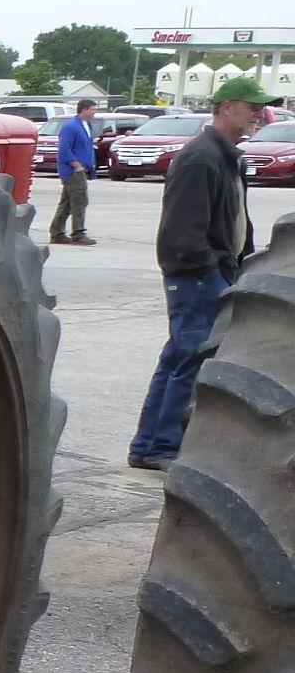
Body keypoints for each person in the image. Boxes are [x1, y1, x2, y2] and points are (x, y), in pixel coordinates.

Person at [129, 77, 281, 470]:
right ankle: (160, 446)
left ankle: (149, 445)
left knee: (178, 358)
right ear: (227, 106)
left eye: (261, 108)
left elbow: (236, 220)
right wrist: (209, 270)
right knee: (190, 360)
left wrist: (243, 264)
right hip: (196, 276)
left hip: (213, 272)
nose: (259, 114)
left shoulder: (227, 156)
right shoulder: (201, 157)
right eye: (252, 107)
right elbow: (183, 231)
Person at [49, 97, 98, 245]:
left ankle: (56, 232)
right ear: (84, 110)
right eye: (93, 110)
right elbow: (64, 148)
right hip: (73, 170)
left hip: (82, 169)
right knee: (80, 200)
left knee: (67, 203)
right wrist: (76, 165)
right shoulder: (71, 127)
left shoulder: (87, 126)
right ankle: (78, 233)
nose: (94, 113)